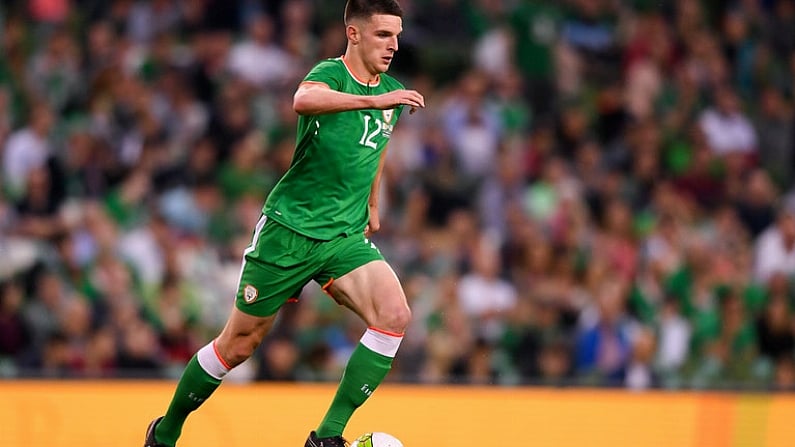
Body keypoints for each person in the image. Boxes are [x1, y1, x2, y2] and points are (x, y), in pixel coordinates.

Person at [143, 1, 425, 446]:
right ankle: (166, 431)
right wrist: (374, 99)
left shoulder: (391, 92)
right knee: (237, 346)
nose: (393, 45)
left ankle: (326, 437)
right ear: (353, 34)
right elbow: (302, 100)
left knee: (394, 314)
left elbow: (379, 145)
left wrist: (372, 201)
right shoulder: (332, 76)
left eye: (397, 35)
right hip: (289, 231)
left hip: (343, 235)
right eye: (382, 35)